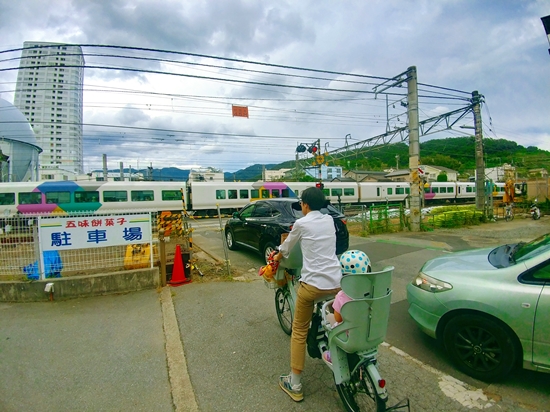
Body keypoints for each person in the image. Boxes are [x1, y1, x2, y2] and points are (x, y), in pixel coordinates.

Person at [273, 186, 342, 402]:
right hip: (337, 283)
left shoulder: (302, 223)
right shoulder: (329, 220)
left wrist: (276, 256)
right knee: (337, 324)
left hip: (312, 286)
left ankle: (294, 384)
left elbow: (286, 248)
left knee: (299, 330)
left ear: (304, 205)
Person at [322, 249, 371, 365]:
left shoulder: (342, 296)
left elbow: (338, 318)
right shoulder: (372, 293)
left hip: (348, 335)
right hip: (368, 330)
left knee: (331, 327)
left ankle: (333, 356)